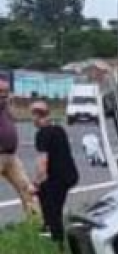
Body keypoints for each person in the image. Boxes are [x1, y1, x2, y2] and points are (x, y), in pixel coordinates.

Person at [32, 102, 77, 241]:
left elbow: (43, 162)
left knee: (52, 209)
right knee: (50, 202)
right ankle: (50, 229)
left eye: (33, 116)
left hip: (56, 179)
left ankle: (57, 239)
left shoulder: (42, 134)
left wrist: (37, 182)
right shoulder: (59, 130)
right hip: (70, 175)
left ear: (37, 116)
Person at [0, 77, 33, 221]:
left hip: (11, 156)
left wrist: (9, 103)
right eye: (1, 91)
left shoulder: (6, 106)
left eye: (6, 91)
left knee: (26, 188)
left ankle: (35, 224)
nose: (4, 94)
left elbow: (15, 117)